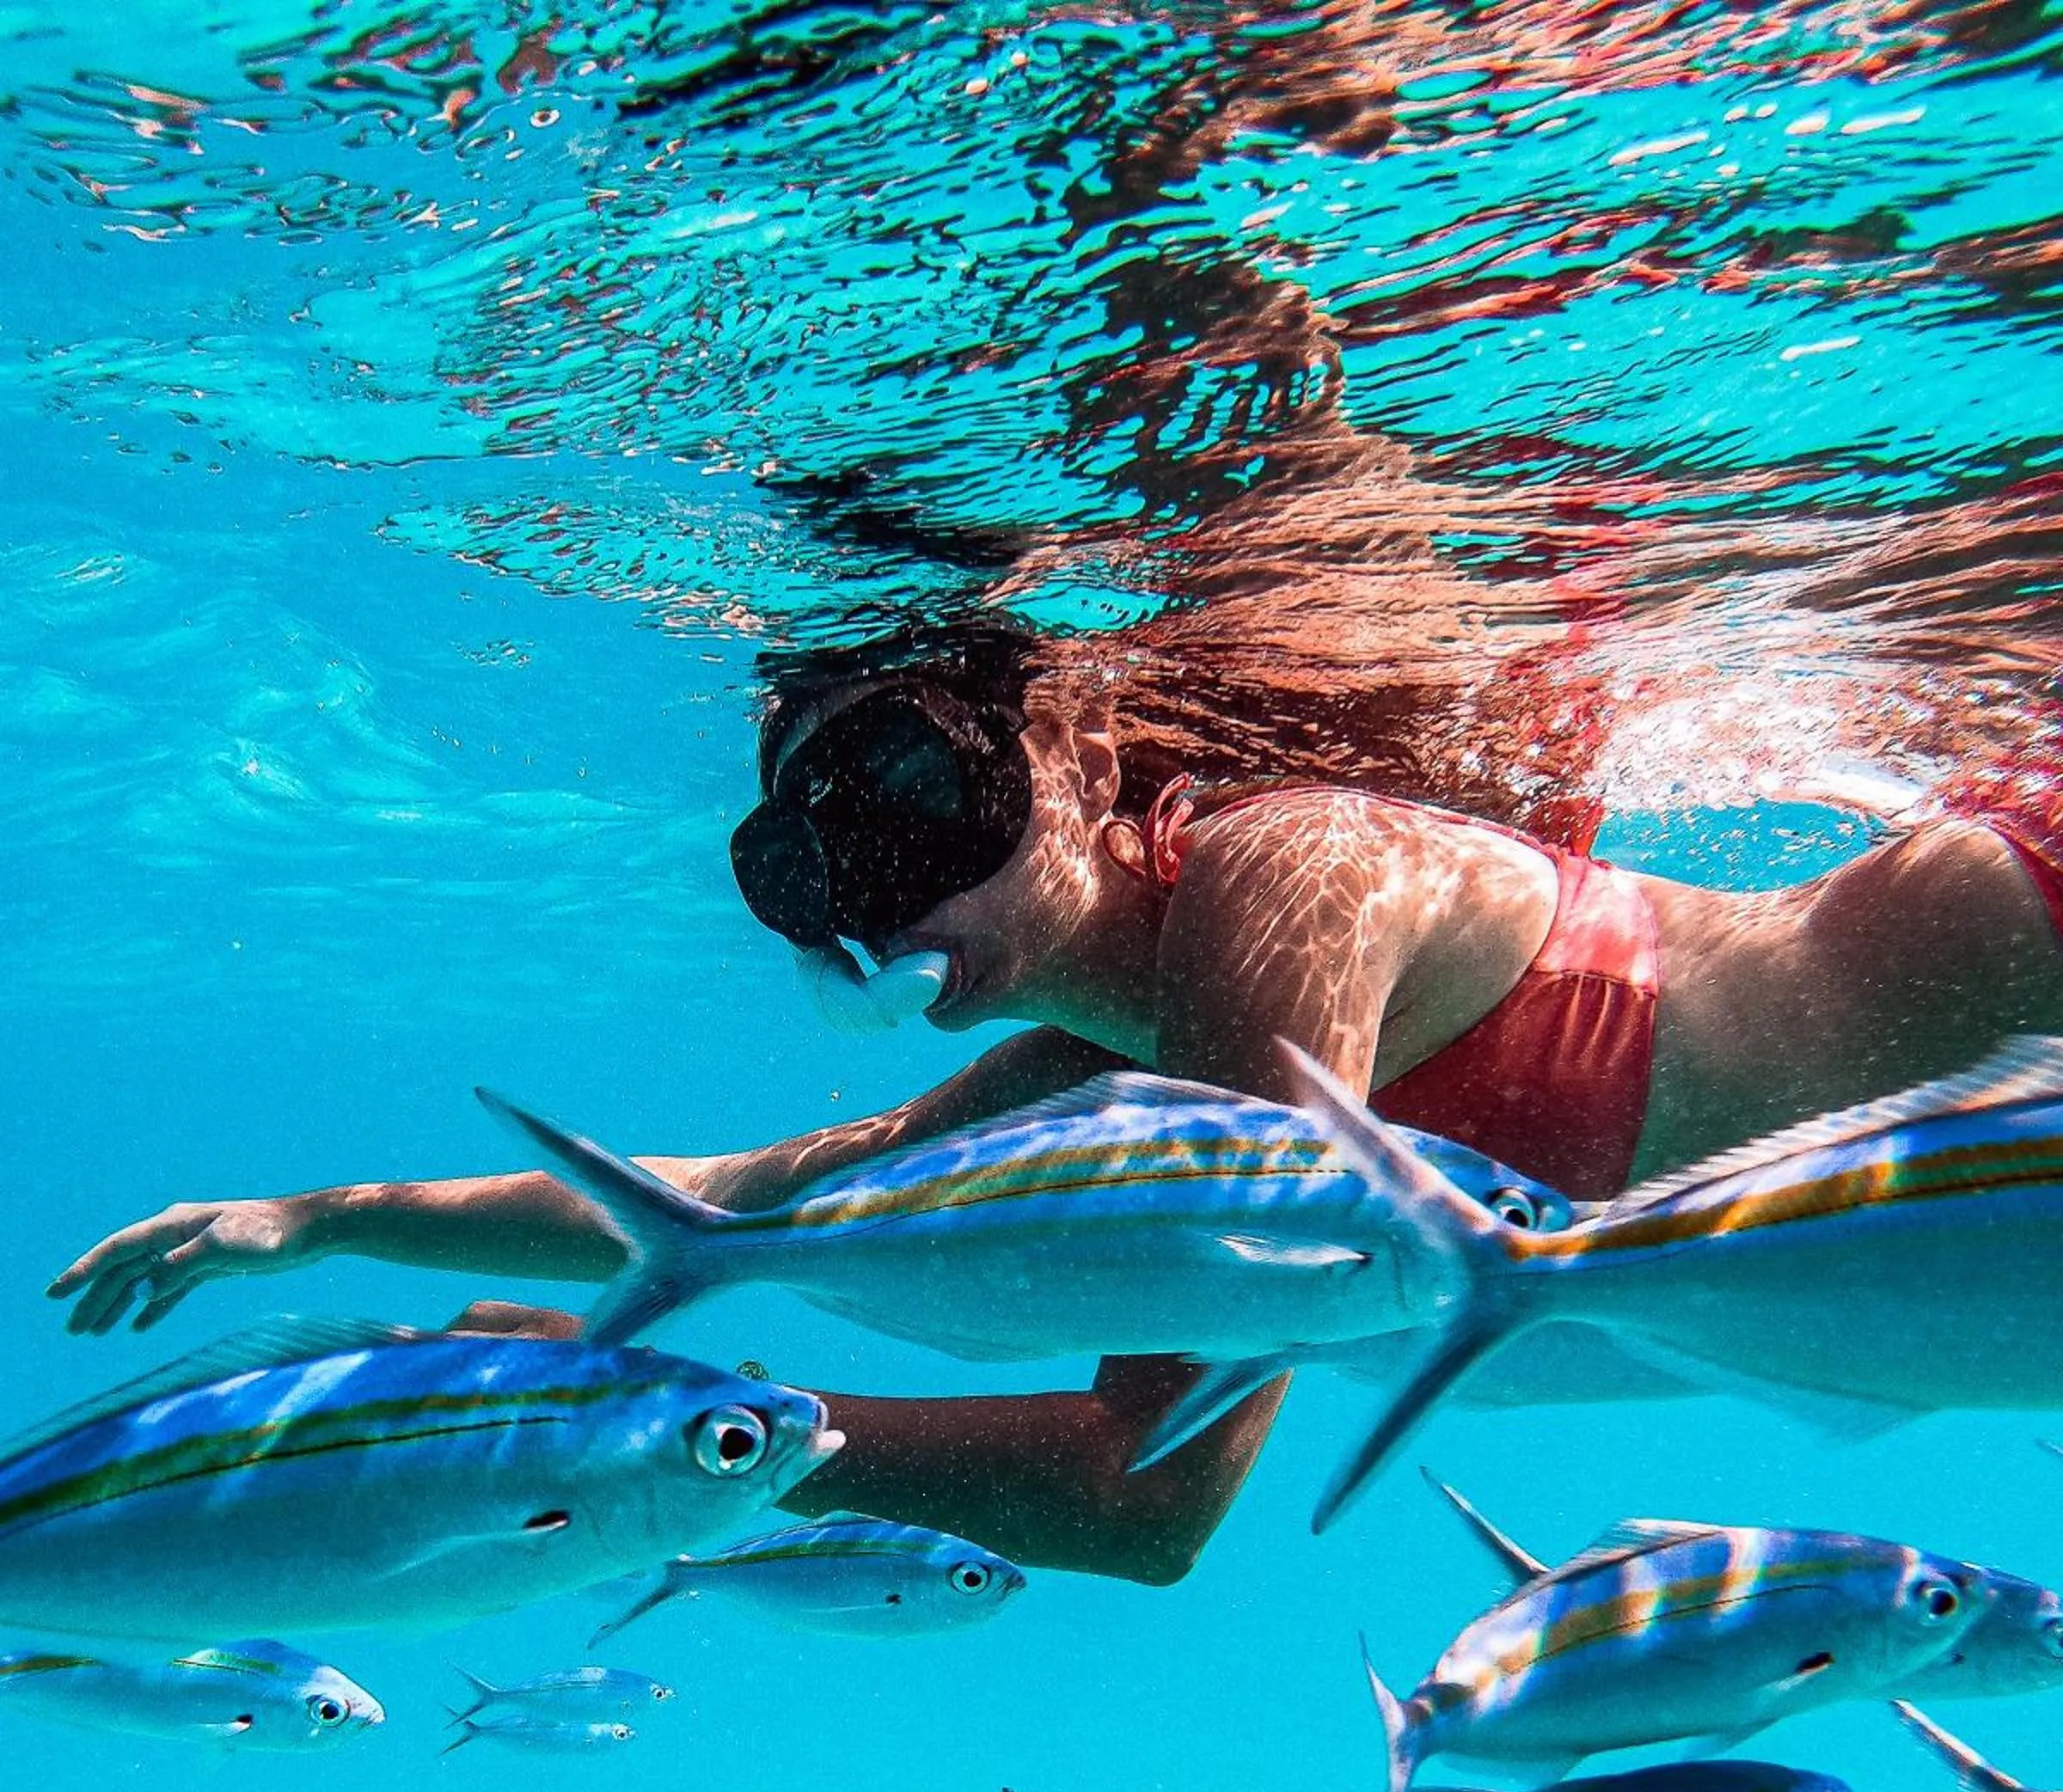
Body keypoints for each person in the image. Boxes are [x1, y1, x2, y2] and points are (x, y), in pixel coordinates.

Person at [48, 624, 2063, 1584]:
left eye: (920, 800)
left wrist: (693, 1446)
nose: (893, 899)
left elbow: (1146, 1484)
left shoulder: (1292, 880)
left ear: (1084, 739)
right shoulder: (1094, 1099)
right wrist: (306, 1223)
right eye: (814, 878)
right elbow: (717, 1206)